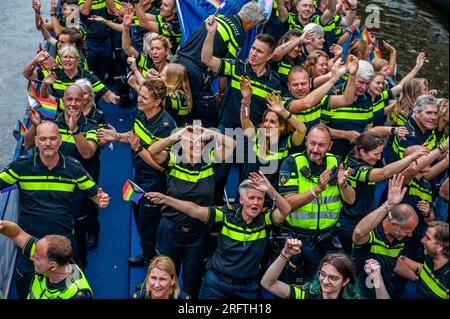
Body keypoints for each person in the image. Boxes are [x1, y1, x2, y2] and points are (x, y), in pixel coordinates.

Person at [0, 120, 109, 298]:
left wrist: (101, 199)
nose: (48, 143)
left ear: (60, 140)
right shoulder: (20, 167)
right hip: (30, 246)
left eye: (52, 138)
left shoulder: (74, 168)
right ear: (36, 141)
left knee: (71, 292)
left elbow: (96, 194)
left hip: (63, 248)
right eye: (43, 139)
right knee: (27, 290)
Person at [145, 172, 292, 299]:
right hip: (216, 284)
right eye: (251, 198)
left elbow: (286, 209)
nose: (256, 202)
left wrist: (270, 190)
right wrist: (165, 199)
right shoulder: (226, 214)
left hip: (247, 288)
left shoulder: (265, 219)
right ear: (241, 200)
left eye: (260, 198)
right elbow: (195, 210)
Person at [143, 124, 235, 298]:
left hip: (198, 232)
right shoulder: (173, 160)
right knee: (166, 276)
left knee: (193, 279)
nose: (195, 145)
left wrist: (209, 133)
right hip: (170, 229)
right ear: (181, 144)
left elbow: (232, 145)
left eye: (199, 142)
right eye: (190, 142)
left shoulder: (210, 160)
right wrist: (176, 135)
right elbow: (153, 150)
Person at [97, 79, 177, 269]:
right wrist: (116, 136)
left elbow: (160, 166)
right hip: (138, 176)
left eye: (143, 97)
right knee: (140, 221)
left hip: (154, 181)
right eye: (139, 95)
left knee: (149, 226)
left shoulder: (166, 126)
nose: (138, 99)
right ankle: (147, 253)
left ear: (157, 102)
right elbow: (133, 136)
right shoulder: (141, 113)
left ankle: (153, 265)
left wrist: (139, 148)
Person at [24, 85, 104, 269]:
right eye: (69, 99)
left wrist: (75, 131)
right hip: (54, 189)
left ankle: (79, 267)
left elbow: (87, 153)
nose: (73, 104)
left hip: (79, 191)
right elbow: (29, 145)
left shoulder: (91, 125)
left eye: (77, 99)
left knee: (78, 237)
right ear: (63, 101)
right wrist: (36, 127)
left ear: (84, 100)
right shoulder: (50, 124)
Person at [278, 124, 354, 281]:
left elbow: (351, 199)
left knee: (321, 288)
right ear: (306, 141)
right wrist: (316, 190)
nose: (315, 149)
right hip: (297, 240)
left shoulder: (337, 163)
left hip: (327, 241)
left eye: (321, 145)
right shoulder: (291, 163)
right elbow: (288, 203)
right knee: (289, 289)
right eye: (312, 143)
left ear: (330, 145)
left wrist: (343, 185)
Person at [176, 1, 265, 127]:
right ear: (251, 22)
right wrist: (222, 93)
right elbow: (225, 70)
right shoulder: (238, 34)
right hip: (195, 74)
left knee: (180, 112)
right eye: (254, 25)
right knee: (209, 121)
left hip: (177, 64)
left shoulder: (219, 16)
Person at [338, 132, 430, 253]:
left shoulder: (355, 151)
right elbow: (384, 173)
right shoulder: (355, 169)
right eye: (376, 154)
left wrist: (394, 130)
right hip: (352, 223)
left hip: (364, 216)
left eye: (381, 153)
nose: (379, 158)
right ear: (361, 152)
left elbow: (373, 131)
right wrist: (412, 157)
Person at [202, 16, 281, 129]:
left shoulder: (274, 82)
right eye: (253, 48)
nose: (253, 53)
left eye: (259, 51)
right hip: (226, 129)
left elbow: (272, 112)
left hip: (251, 136)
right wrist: (210, 33)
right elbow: (207, 59)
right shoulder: (236, 67)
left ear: (268, 57)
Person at [352, 174, 419, 298]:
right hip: (362, 294)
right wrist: (389, 203)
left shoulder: (399, 238)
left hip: (385, 292)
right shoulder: (372, 232)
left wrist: (416, 278)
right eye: (408, 230)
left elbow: (392, 261)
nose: (410, 235)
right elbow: (359, 233)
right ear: (394, 224)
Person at [240, 76, 307, 193]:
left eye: (272, 122)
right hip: (248, 196)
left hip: (271, 200)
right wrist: (246, 100)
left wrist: (283, 112)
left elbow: (302, 129)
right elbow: (245, 119)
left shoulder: (286, 143)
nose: (266, 124)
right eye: (265, 121)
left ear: (281, 126)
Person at [0, 220, 93, 299]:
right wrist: (2, 225)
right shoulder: (43, 253)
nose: (31, 257)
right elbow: (16, 233)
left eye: (36, 258)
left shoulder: (77, 295)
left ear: (52, 266)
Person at [261, 237, 378, 299]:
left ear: (345, 281)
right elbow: (268, 283)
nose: (325, 281)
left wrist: (378, 279)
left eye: (333, 278)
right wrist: (285, 255)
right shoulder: (306, 295)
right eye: (322, 274)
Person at [22, 46, 120, 104]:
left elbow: (106, 93)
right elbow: (26, 74)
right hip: (60, 113)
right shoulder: (52, 74)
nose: (67, 60)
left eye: (71, 57)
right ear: (60, 60)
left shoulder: (87, 76)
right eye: (64, 57)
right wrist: (35, 60)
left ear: (77, 61)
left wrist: (113, 97)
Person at [321, 59, 375, 159]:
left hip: (355, 155)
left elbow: (369, 125)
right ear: (352, 77)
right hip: (331, 154)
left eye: (367, 83)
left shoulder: (367, 98)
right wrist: (345, 134)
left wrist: (366, 136)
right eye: (361, 82)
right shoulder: (333, 95)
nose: (363, 87)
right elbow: (319, 128)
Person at [369, 52, 426, 127]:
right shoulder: (363, 101)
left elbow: (400, 86)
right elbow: (382, 111)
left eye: (382, 83)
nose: (381, 86)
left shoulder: (381, 95)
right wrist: (402, 101)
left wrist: (417, 67)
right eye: (378, 83)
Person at [394, 221, 449, 299]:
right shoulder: (431, 258)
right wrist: (402, 258)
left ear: (440, 247)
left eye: (428, 238)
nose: (422, 240)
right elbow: (424, 269)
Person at [384, 95, 439, 164]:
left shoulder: (428, 126)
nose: (433, 117)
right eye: (428, 113)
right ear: (417, 113)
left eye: (436, 113)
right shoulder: (406, 134)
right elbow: (419, 170)